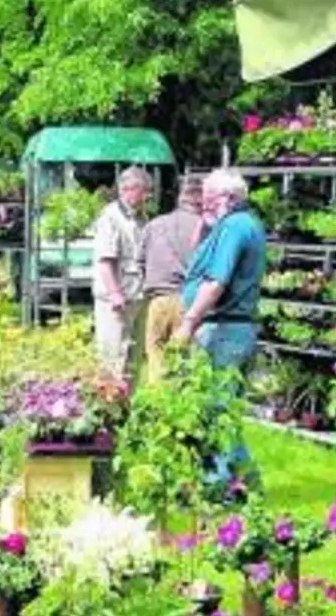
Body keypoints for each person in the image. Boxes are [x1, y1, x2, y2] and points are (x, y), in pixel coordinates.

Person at [172, 168, 268, 491]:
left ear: (228, 198)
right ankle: (247, 480)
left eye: (209, 199)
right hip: (233, 328)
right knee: (225, 409)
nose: (203, 205)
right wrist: (205, 224)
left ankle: (219, 486)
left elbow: (215, 282)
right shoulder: (242, 224)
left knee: (216, 410)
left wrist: (188, 324)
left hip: (223, 329)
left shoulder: (234, 228)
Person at [140, 174, 206, 383]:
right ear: (200, 200)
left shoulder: (154, 225)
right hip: (189, 302)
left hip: (157, 301)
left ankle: (157, 407)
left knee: (156, 359)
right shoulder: (205, 228)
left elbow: (140, 261)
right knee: (185, 364)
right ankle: (180, 408)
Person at [91, 167, 151, 377]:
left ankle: (129, 405)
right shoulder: (110, 217)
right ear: (129, 189)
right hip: (116, 300)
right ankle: (108, 407)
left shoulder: (141, 216)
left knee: (133, 358)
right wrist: (115, 293)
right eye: (145, 191)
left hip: (136, 295)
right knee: (112, 355)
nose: (148, 196)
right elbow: (105, 260)